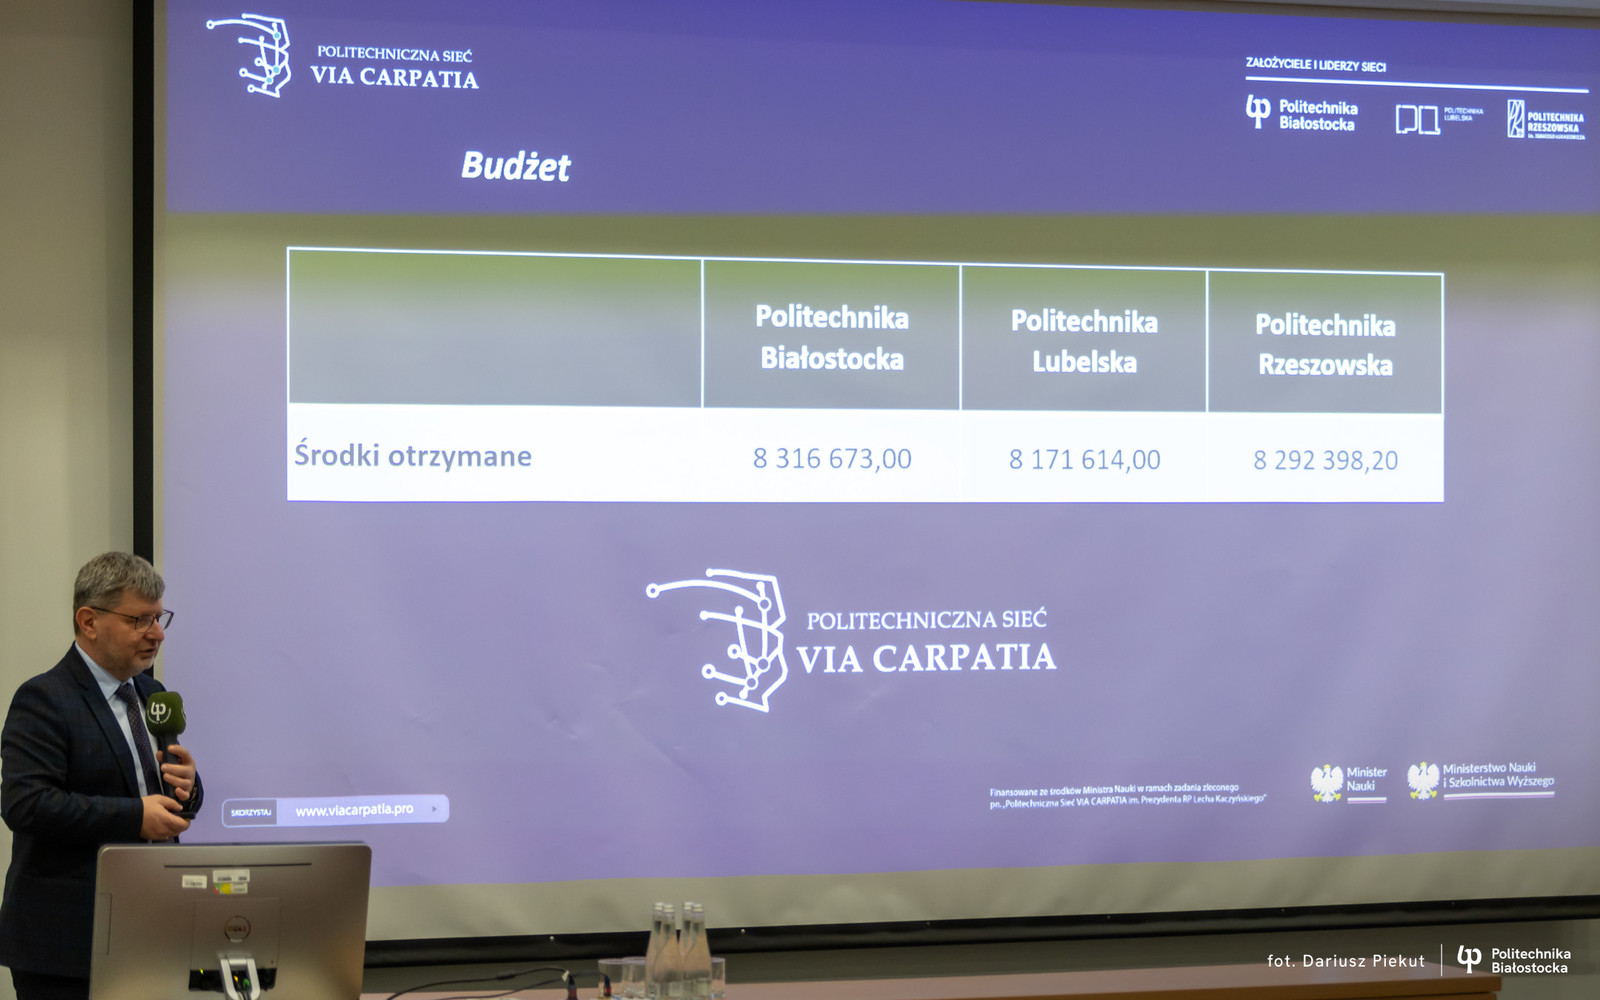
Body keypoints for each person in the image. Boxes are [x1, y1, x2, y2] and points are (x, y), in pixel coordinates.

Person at [0, 552, 202, 1000]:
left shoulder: (152, 693)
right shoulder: (44, 698)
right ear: (89, 621)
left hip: (154, 929)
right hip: (68, 944)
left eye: (159, 618)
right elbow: (26, 804)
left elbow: (157, 793)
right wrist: (135, 817)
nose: (157, 633)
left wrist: (188, 788)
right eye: (140, 620)